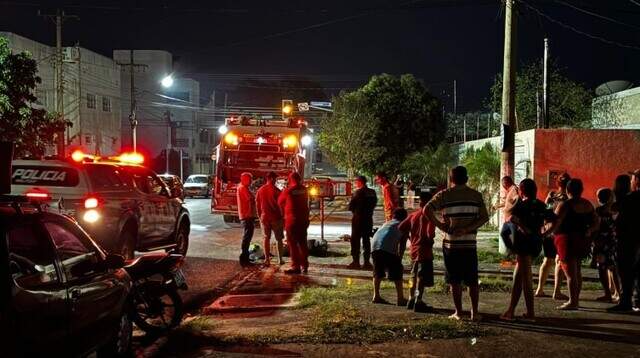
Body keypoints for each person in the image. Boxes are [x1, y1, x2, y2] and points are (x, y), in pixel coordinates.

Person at [424, 166, 489, 321]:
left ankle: (458, 312)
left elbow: (427, 209)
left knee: (454, 280)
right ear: (466, 178)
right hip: (470, 245)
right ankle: (475, 312)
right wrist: (467, 229)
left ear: (451, 179)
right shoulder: (476, 195)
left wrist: (441, 225)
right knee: (472, 280)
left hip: (451, 245)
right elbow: (484, 217)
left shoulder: (444, 195)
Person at [545, 178, 599, 310]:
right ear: (581, 190)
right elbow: (596, 223)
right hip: (582, 240)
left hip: (566, 241)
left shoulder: (565, 205)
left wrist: (545, 233)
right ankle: (575, 299)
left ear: (567, 190)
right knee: (577, 271)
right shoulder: (588, 204)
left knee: (570, 274)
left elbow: (555, 223)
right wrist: (589, 231)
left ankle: (573, 302)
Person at [500, 179, 548, 321]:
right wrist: (544, 234)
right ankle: (511, 310)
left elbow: (507, 226)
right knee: (518, 277)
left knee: (526, 279)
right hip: (535, 244)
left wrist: (520, 227)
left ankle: (531, 313)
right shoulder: (541, 205)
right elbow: (554, 219)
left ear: (521, 191)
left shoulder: (520, 207)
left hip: (523, 245)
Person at [399, 192, 436, 313]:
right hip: (424, 250)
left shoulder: (413, 215)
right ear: (430, 202)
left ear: (420, 202)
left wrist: (411, 238)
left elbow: (401, 227)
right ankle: (418, 300)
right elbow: (430, 234)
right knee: (421, 277)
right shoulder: (430, 216)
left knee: (413, 275)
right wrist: (429, 241)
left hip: (414, 250)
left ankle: (411, 298)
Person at [535, 172, 570, 299]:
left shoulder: (552, 195)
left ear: (557, 183)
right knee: (559, 261)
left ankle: (539, 289)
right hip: (560, 232)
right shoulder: (568, 198)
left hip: (548, 231)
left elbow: (545, 211)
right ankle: (557, 291)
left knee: (547, 260)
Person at [609, 170, 640, 312]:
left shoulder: (630, 199)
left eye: (633, 178)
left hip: (628, 240)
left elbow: (620, 219)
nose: (631, 181)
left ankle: (626, 302)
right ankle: (637, 301)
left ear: (637, 181)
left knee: (626, 272)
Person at [371, 208, 409, 306]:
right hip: (386, 248)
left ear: (393, 216)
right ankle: (400, 298)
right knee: (397, 270)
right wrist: (399, 258)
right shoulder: (403, 225)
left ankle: (376, 296)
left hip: (374, 247)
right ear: (405, 217)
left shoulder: (387, 223)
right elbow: (403, 244)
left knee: (378, 271)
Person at [278, 172, 310, 275]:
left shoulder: (288, 191)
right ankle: (304, 265)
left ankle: (295, 266)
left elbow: (279, 201)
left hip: (292, 221)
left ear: (291, 180)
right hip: (303, 220)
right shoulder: (305, 190)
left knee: (293, 244)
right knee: (302, 243)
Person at [593, 188, 621, 303]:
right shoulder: (615, 210)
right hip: (613, 242)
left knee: (602, 268)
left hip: (601, 242)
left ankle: (607, 294)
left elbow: (596, 226)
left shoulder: (598, 211)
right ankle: (619, 293)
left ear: (599, 198)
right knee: (613, 268)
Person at [347, 175, 378, 269]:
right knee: (366, 240)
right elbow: (374, 204)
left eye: (356, 182)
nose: (355, 183)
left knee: (355, 240)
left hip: (358, 219)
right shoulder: (372, 192)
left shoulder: (358, 192)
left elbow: (351, 207)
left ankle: (356, 262)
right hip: (368, 219)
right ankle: (367, 262)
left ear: (360, 182)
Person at [255, 172, 285, 266]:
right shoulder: (277, 191)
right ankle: (280, 259)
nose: (276, 180)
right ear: (271, 179)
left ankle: (267, 260)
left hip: (264, 218)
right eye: (275, 179)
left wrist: (260, 216)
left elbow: (257, 205)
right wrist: (283, 217)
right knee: (279, 239)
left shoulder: (260, 190)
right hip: (276, 218)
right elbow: (281, 206)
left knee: (266, 238)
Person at [237, 172, 257, 266]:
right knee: (247, 237)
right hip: (247, 215)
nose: (251, 181)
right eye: (250, 179)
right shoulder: (243, 188)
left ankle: (246, 257)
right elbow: (251, 199)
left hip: (248, 215)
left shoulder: (243, 187)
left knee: (247, 237)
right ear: (245, 179)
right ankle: (244, 259)